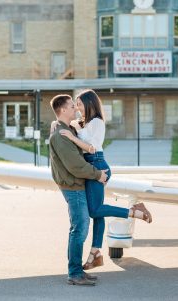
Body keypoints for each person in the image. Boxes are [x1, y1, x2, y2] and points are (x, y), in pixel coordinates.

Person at [51, 89, 152, 271]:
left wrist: (73, 137)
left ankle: (135, 211)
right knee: (97, 211)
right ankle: (95, 254)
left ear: (89, 104)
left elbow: (91, 148)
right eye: (74, 105)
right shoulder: (83, 123)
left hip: (97, 164)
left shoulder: (97, 122)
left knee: (95, 210)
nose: (77, 108)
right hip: (91, 166)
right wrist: (56, 124)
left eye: (79, 104)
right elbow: (62, 121)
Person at [49, 94, 108, 286]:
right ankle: (74, 273)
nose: (76, 108)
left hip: (76, 185)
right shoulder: (61, 134)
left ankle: (76, 271)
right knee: (79, 229)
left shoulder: (65, 129)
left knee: (80, 228)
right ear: (63, 110)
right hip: (73, 187)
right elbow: (75, 165)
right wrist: (97, 174)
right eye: (72, 106)